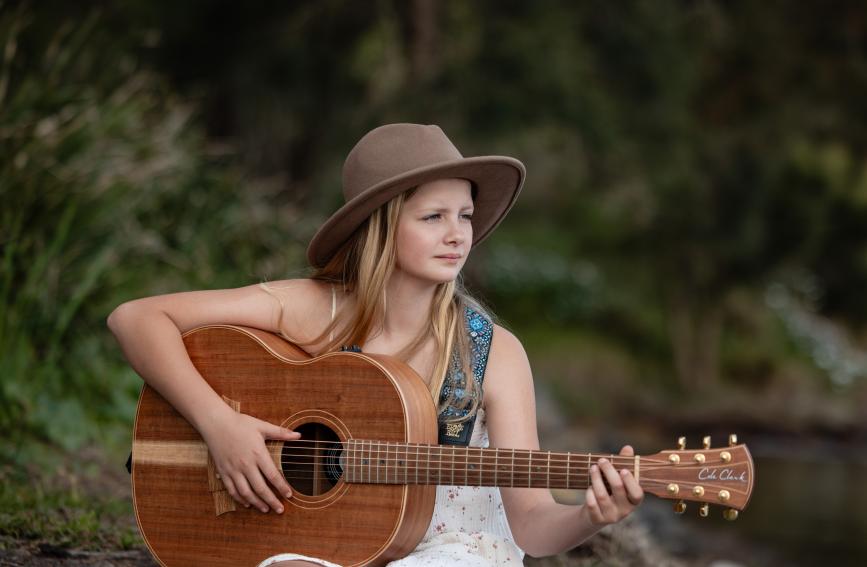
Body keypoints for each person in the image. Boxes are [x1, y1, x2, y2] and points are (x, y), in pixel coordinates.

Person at [108, 123, 644, 566]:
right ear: (380, 227)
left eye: (464, 215)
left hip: (451, 553)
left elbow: (531, 527)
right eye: (433, 217)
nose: (458, 234)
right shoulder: (316, 310)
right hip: (324, 544)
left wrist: (590, 515)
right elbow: (136, 318)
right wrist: (220, 425)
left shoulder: (491, 353)